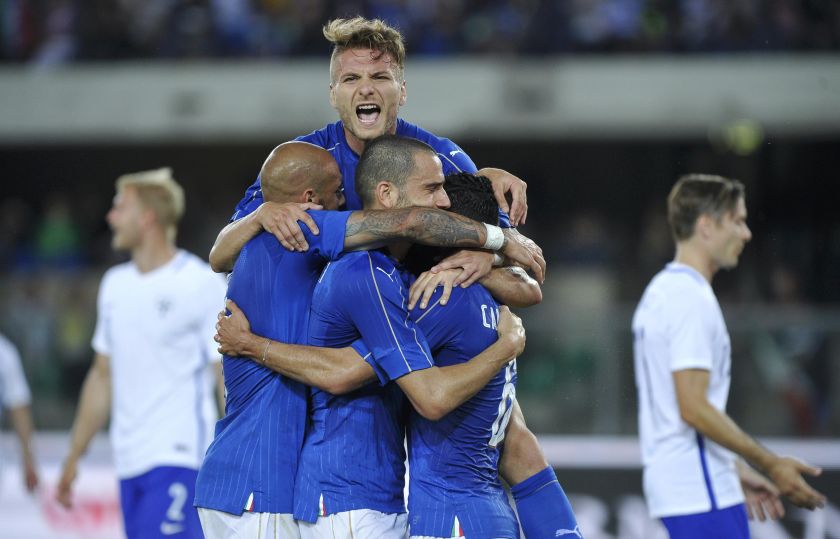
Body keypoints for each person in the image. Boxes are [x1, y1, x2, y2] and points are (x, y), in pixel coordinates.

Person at [194, 140, 542, 538]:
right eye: (338, 193)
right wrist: (499, 244)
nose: (346, 202)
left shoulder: (340, 259)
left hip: (300, 487)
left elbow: (528, 288)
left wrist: (486, 257)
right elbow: (411, 224)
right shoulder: (312, 239)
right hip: (270, 485)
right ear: (309, 201)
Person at [209, 16, 541, 287]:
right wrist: (260, 215)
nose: (366, 88)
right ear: (333, 94)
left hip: (412, 321)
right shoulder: (303, 160)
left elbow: (523, 261)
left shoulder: (439, 158)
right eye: (351, 79)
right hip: (323, 327)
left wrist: (490, 256)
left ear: (402, 91)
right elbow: (221, 256)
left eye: (380, 77)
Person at [632, 174, 826, 538]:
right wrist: (770, 463)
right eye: (737, 221)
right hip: (700, 494)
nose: (746, 233)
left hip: (683, 487)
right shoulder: (690, 298)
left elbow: (673, 411)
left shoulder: (661, 290)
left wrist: (734, 468)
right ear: (706, 226)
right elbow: (693, 408)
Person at [57, 168, 226, 539]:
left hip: (180, 456)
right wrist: (74, 455)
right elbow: (102, 375)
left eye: (120, 207)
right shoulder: (114, 286)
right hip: (128, 462)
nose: (110, 217)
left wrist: (236, 453)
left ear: (147, 217)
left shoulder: (199, 282)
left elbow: (224, 374)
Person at [0, 332, 39, 494]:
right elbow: (19, 408)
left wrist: (28, 459)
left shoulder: (4, 353)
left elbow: (19, 407)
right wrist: (28, 460)